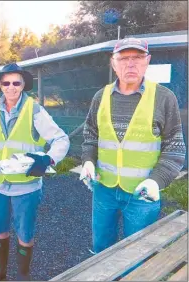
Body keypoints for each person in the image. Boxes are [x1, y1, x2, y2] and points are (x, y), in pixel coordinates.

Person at [80, 37, 186, 254]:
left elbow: (174, 146)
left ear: (147, 61)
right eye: (124, 58)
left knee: (136, 254)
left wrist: (157, 181)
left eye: (137, 58)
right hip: (103, 189)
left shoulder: (164, 98)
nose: (130, 63)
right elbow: (90, 135)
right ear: (113, 63)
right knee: (100, 249)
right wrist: (88, 162)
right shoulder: (101, 96)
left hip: (142, 195)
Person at [0, 63, 70, 280]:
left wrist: (48, 159)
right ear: (0, 85)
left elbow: (61, 139)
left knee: (25, 233)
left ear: (23, 85)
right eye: (6, 82)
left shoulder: (34, 110)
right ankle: (0, 271)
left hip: (26, 186)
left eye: (16, 83)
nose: (11, 87)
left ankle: (22, 274)